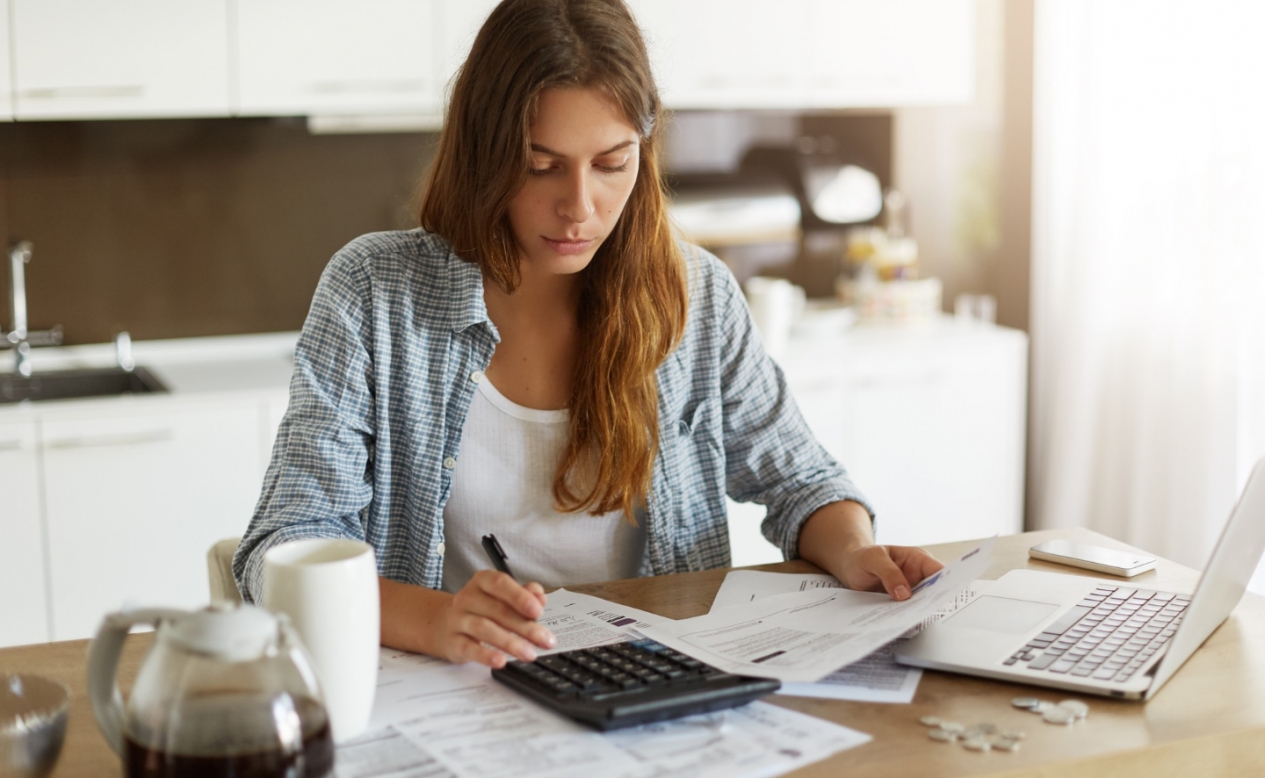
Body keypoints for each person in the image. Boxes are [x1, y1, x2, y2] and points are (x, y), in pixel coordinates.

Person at [233, 0, 944, 670]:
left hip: (655, 682)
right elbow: (281, 548)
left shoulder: (694, 297)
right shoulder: (372, 293)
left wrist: (853, 550)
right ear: (485, 152)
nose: (579, 207)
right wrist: (436, 620)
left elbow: (801, 480)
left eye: (611, 164)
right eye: (541, 166)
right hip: (457, 684)